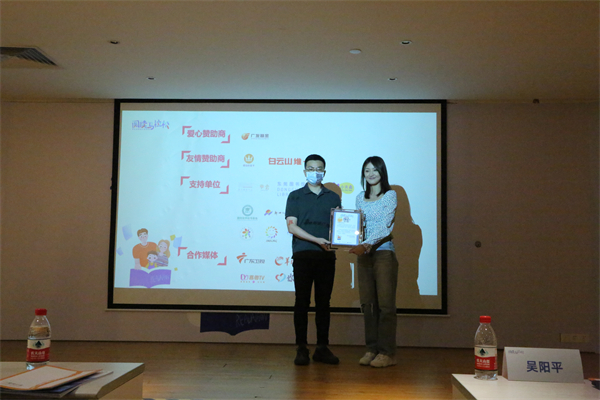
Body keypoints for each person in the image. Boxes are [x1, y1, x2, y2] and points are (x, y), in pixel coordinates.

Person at [285, 154, 341, 366]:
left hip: (326, 256)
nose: (314, 172)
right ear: (304, 171)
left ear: (324, 172)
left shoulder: (333, 197)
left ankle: (322, 348)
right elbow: (292, 227)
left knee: (324, 303)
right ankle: (301, 348)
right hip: (303, 255)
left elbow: (340, 226)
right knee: (302, 302)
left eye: (318, 169)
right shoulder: (295, 196)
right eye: (310, 168)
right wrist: (317, 240)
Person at [349, 156, 399, 368]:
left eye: (374, 170)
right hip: (364, 255)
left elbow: (385, 227)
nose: (370, 174)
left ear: (382, 172)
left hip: (383, 253)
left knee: (385, 306)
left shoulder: (390, 195)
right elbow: (358, 225)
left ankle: (387, 353)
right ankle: (371, 349)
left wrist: (366, 244)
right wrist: (348, 239)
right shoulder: (360, 197)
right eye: (367, 170)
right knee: (368, 305)